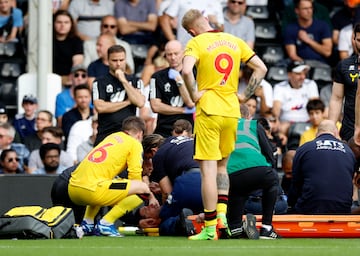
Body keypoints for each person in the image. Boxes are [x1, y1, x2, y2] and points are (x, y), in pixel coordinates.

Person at [181, 9, 268, 240]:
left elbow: (186, 70)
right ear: (207, 21)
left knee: (207, 171)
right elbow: (262, 68)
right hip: (231, 111)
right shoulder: (233, 40)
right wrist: (245, 96)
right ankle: (222, 219)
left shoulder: (196, 43)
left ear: (191, 31)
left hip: (209, 110)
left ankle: (209, 229)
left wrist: (194, 95)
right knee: (222, 168)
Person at [68, 116, 159, 237]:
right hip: (91, 190)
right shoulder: (135, 144)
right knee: (141, 188)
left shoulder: (112, 137)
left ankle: (88, 223)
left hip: (73, 188)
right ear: (140, 134)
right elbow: (135, 175)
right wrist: (150, 195)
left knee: (105, 183)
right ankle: (106, 223)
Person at [226, 104, 281, 240]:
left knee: (238, 193)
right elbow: (269, 152)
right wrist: (270, 168)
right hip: (258, 169)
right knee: (272, 181)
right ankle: (266, 228)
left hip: (231, 175)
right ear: (248, 116)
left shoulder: (223, 126)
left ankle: (236, 226)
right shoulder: (252, 124)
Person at [288, 119, 356, 214]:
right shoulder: (349, 152)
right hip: (342, 208)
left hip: (310, 207)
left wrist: (290, 204)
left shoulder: (304, 149)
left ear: (317, 133)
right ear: (336, 133)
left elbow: (296, 184)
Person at [92, 45, 145, 146]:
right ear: (108, 61)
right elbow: (100, 107)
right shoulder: (99, 82)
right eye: (114, 60)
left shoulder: (135, 81)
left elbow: (140, 102)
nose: (118, 64)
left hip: (129, 134)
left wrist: (123, 80)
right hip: (106, 134)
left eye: (121, 60)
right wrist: (128, 102)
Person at [149, 40, 195, 137]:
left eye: (176, 53)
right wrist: (182, 110)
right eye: (169, 54)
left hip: (188, 129)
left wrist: (179, 81)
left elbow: (191, 103)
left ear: (183, 53)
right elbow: (155, 106)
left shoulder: (194, 73)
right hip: (164, 129)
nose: (173, 57)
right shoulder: (157, 77)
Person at [329, 23, 360, 142]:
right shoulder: (344, 65)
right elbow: (336, 98)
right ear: (353, 39)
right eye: (359, 40)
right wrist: (331, 126)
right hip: (349, 128)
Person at [272, 61, 319, 136]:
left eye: (304, 73)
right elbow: (276, 111)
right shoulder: (279, 87)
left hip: (308, 122)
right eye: (298, 74)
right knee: (280, 129)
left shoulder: (311, 84)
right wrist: (277, 120)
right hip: (287, 123)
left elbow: (316, 106)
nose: (302, 77)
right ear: (289, 74)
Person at [159, 0, 224, 47]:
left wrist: (216, 23)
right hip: (185, 47)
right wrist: (174, 41)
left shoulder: (216, 3)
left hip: (209, 47)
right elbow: (164, 19)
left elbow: (222, 29)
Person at [52, 9, 84, 86]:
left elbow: (77, 62)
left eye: (66, 22)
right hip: (49, 77)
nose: (62, 25)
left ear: (71, 24)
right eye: (59, 22)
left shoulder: (76, 41)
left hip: (68, 78)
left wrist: (71, 77)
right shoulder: (47, 40)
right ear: (53, 23)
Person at [61, 84, 93, 150]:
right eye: (80, 97)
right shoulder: (67, 116)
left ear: (90, 97)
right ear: (75, 98)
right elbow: (68, 136)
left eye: (86, 97)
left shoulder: (96, 115)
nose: (83, 100)